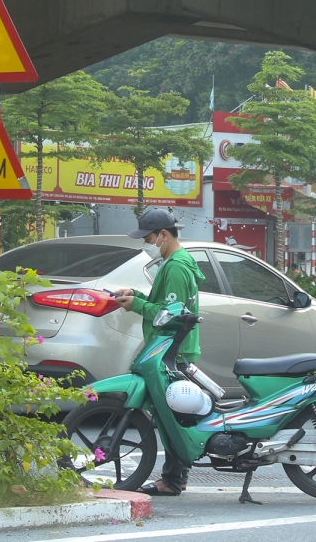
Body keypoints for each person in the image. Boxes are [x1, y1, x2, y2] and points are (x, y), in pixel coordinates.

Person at [115, 208, 204, 497]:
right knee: (175, 413)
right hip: (173, 346)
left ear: (164, 235)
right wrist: (136, 296)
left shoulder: (176, 266)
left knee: (169, 415)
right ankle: (177, 476)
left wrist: (137, 305)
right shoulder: (176, 261)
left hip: (172, 348)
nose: (149, 243)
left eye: (151, 237)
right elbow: (165, 303)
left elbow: (172, 314)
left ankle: (172, 480)